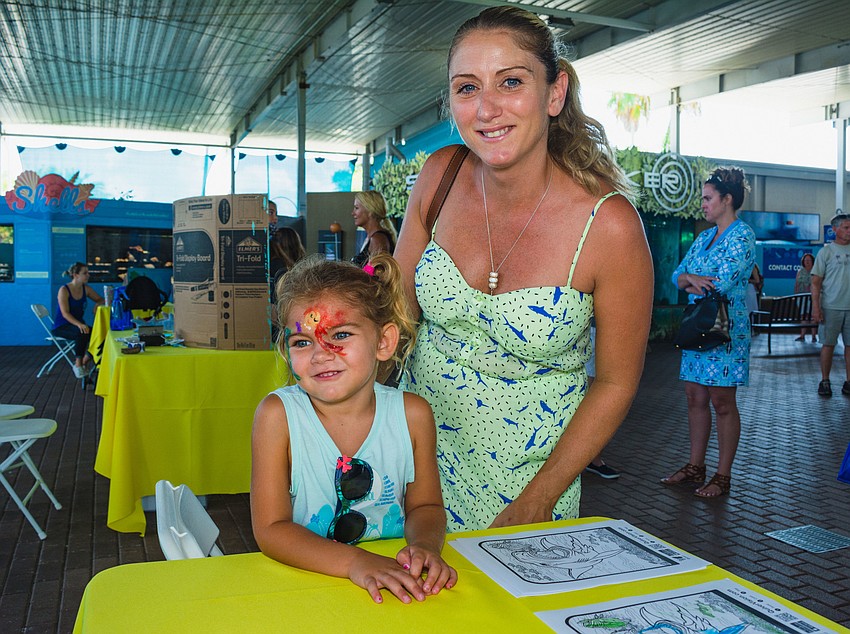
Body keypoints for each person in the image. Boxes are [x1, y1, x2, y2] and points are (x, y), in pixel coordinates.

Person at [393, 6, 653, 531]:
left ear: (554, 93)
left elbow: (616, 384)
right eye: (467, 88)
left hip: (529, 488)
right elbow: (395, 316)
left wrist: (539, 499)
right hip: (409, 471)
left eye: (510, 82)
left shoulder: (609, 227)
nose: (486, 109)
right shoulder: (441, 175)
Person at [251, 253, 457, 604]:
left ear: (383, 342)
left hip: (395, 589)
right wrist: (356, 562)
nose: (321, 354)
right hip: (304, 589)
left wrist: (423, 547)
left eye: (340, 334)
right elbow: (271, 531)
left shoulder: (412, 415)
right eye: (303, 342)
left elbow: (425, 506)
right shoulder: (278, 415)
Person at [661, 167, 756, 498]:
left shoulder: (743, 236)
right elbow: (676, 276)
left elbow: (724, 281)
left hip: (725, 329)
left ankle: (722, 475)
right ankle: (695, 466)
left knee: (722, 401)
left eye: (707, 198)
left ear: (726, 200)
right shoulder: (704, 237)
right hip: (697, 326)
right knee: (694, 396)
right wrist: (691, 279)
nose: (702, 204)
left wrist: (694, 279)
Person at [811, 212, 850, 397]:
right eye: (846, 227)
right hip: (831, 307)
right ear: (834, 229)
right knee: (828, 344)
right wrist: (816, 307)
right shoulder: (825, 252)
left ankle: (849, 382)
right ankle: (825, 381)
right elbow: (816, 282)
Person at [52, 262, 104, 378]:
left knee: (101, 334)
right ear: (75, 275)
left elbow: (101, 299)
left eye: (88, 272)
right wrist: (80, 324)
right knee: (82, 332)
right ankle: (78, 364)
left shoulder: (86, 289)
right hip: (62, 326)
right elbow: (65, 314)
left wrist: (97, 304)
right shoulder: (64, 290)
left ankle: (84, 361)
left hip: (79, 326)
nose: (88, 275)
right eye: (85, 273)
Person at [583, 321, 620, 479]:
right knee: (587, 394)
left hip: (601, 327)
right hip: (584, 326)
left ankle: (593, 458)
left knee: (594, 396)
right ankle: (591, 459)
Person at [351, 191, 397, 267]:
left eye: (356, 208)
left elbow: (378, 272)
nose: (353, 213)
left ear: (370, 211)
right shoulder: (372, 238)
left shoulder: (378, 239)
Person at [794, 252, 817, 342]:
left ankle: (813, 336)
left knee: (812, 316)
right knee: (803, 315)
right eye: (805, 260)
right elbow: (796, 284)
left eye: (809, 260)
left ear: (812, 261)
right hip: (801, 297)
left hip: (813, 298)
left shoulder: (816, 272)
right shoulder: (799, 272)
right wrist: (796, 295)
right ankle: (802, 335)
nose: (807, 262)